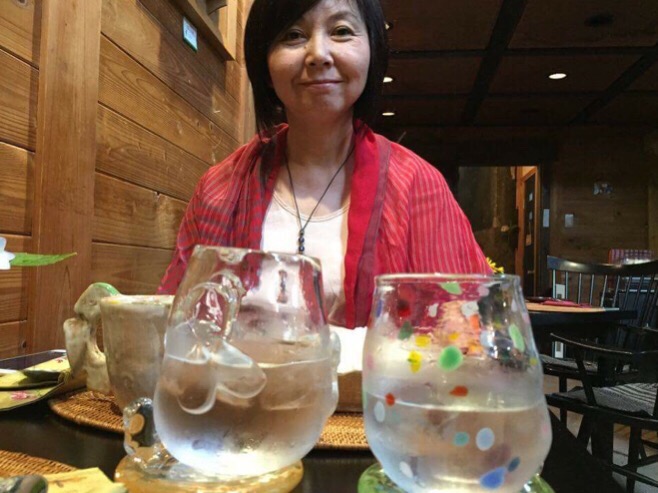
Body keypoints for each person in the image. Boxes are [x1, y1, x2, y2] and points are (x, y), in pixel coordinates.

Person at [158, 0, 491, 329]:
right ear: (265, 65)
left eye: (341, 31)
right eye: (293, 35)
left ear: (372, 51)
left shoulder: (419, 185)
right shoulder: (220, 187)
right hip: (243, 369)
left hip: (378, 369)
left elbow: (469, 328)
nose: (318, 54)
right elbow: (178, 325)